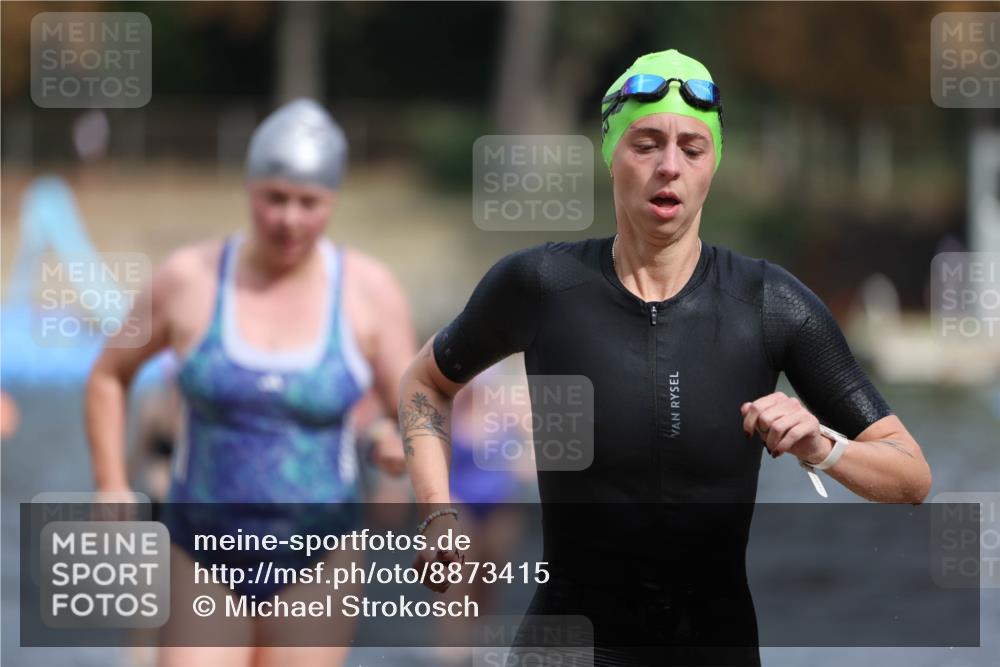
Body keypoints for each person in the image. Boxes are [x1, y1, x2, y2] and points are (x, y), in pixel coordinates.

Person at [398, 50, 932, 666]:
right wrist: (437, 510)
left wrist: (822, 446)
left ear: (713, 165)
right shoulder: (542, 284)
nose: (669, 166)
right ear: (611, 153)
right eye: (646, 144)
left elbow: (911, 475)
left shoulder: (768, 302)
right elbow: (425, 382)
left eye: (692, 149)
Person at [85, 98, 416, 667]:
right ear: (249, 189)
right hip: (201, 544)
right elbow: (109, 375)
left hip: (320, 549)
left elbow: (415, 406)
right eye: (275, 198)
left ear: (333, 200)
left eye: (309, 203)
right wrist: (110, 481)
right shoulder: (188, 279)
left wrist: (393, 438)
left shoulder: (369, 291)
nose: (290, 219)